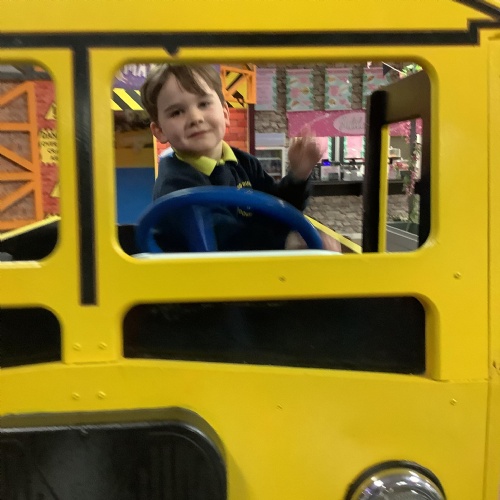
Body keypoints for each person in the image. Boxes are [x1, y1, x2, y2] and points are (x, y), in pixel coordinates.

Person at [141, 63, 340, 252]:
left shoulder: (245, 164)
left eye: (203, 104)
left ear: (225, 113)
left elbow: (278, 210)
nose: (195, 118)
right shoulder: (175, 184)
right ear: (159, 131)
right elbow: (220, 238)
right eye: (177, 112)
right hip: (201, 274)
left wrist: (298, 175)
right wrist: (287, 241)